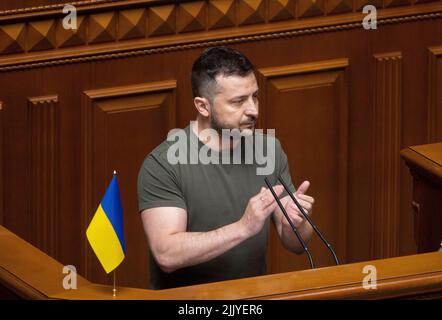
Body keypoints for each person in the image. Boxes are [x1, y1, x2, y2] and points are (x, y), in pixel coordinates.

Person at [137, 46, 314, 290]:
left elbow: (296, 244)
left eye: (255, 96)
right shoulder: (163, 164)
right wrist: (243, 228)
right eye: (238, 101)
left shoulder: (269, 151)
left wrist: (297, 222)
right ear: (203, 106)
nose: (253, 110)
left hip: (253, 301)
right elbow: (166, 254)